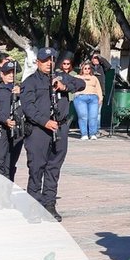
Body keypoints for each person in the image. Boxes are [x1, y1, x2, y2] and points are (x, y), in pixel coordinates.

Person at [21, 47, 84, 220]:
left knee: (53, 168)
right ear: (38, 62)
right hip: (39, 130)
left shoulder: (60, 76)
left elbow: (81, 84)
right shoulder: (30, 82)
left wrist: (65, 86)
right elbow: (28, 107)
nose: (49, 63)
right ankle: (33, 208)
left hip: (60, 129)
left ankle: (49, 205)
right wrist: (44, 121)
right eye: (45, 60)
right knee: (36, 168)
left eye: (51, 59)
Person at [0, 59, 25, 182]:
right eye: (8, 73)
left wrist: (22, 93)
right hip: (0, 130)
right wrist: (5, 120)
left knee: (10, 165)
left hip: (17, 132)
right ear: (2, 74)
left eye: (13, 73)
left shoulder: (21, 89)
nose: (11, 75)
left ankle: (6, 196)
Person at [74, 60, 105, 139]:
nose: (87, 70)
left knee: (93, 116)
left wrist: (100, 98)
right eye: (85, 68)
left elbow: (98, 88)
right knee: (83, 116)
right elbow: (72, 86)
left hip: (93, 98)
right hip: (81, 97)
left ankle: (92, 134)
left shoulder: (94, 78)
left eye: (88, 68)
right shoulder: (77, 77)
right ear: (82, 69)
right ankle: (84, 134)